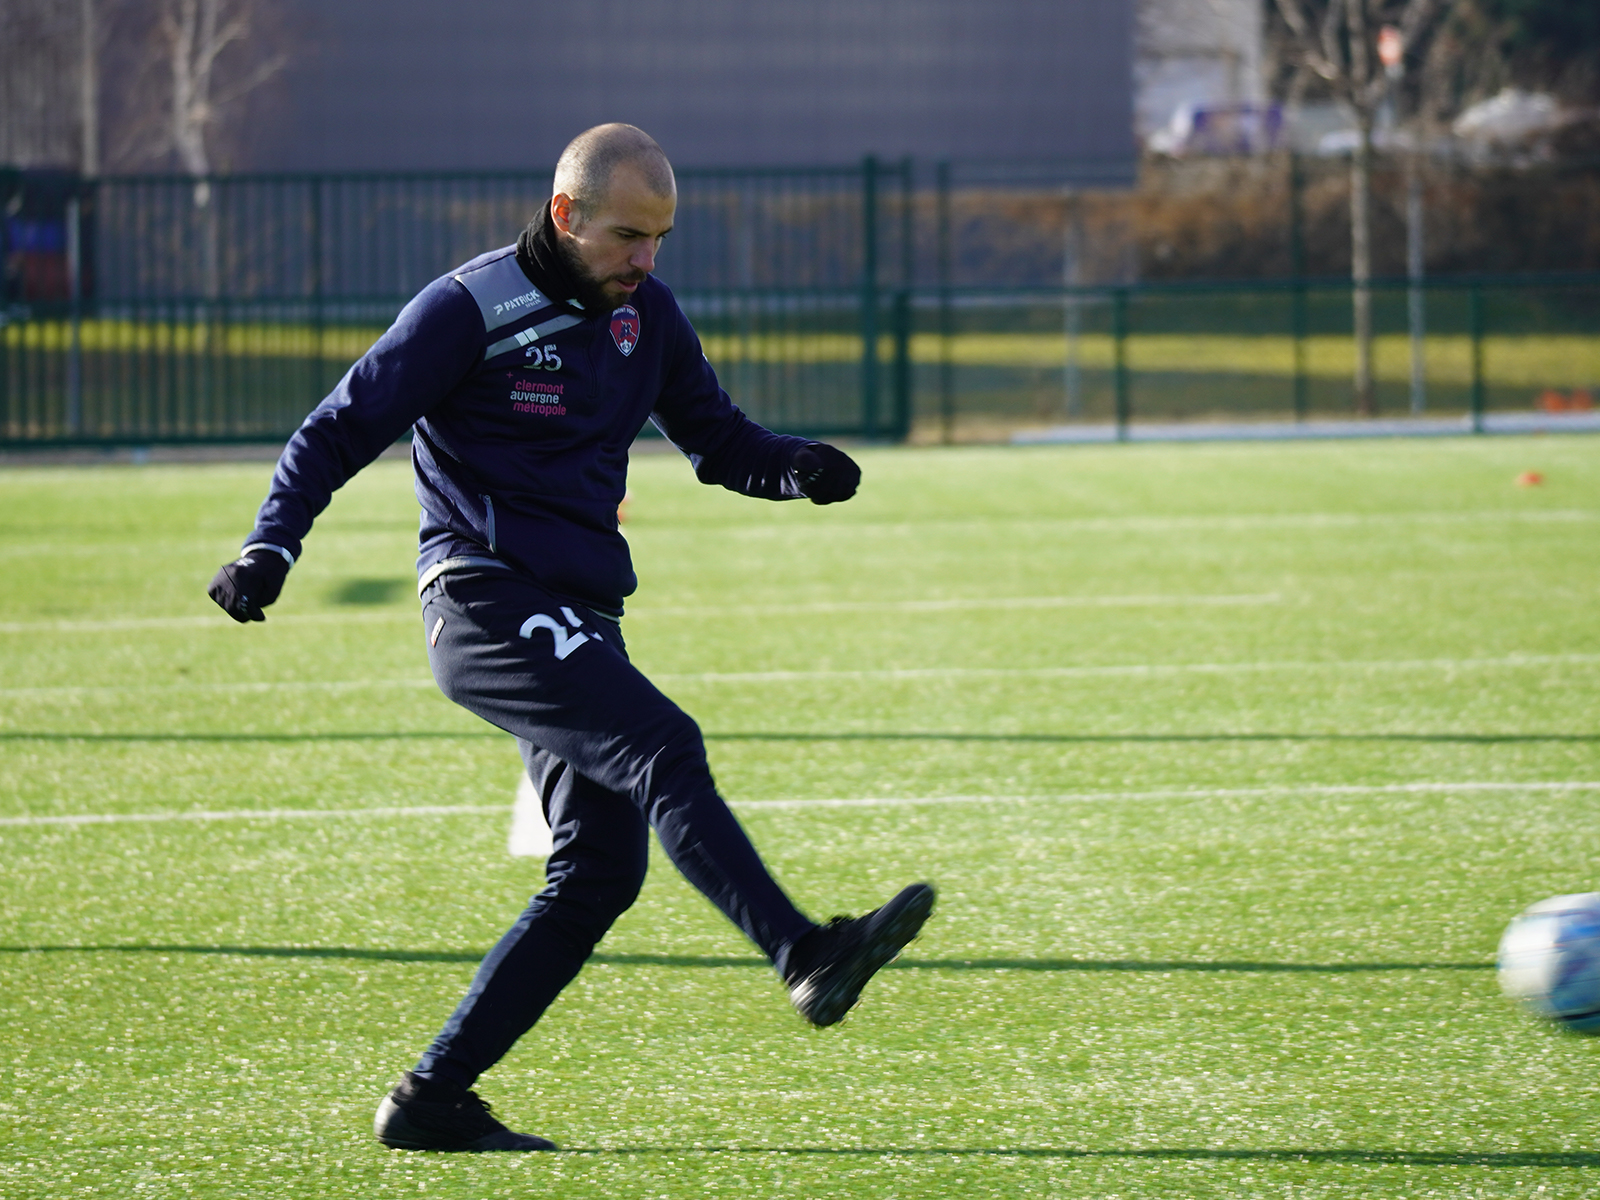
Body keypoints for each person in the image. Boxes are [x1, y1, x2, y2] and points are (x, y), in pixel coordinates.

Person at [206, 124, 935, 1153]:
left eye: (661, 239)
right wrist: (268, 547)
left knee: (598, 871)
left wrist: (796, 467)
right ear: (566, 216)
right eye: (628, 237)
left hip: (579, 615)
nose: (645, 261)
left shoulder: (648, 315)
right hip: (482, 598)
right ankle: (805, 952)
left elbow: (717, 440)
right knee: (663, 746)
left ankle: (431, 1101)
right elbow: (339, 426)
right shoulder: (469, 308)